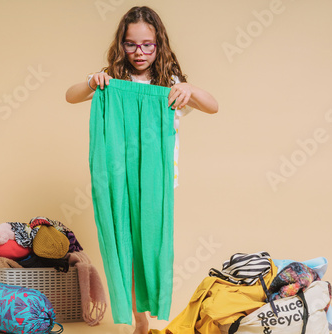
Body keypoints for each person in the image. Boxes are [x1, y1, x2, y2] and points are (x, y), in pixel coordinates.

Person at [65, 6, 218, 334]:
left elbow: (212, 105)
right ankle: (138, 320)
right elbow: (71, 96)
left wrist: (189, 90)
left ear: (159, 44)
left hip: (156, 177)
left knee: (150, 240)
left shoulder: (170, 83)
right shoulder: (112, 80)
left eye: (147, 44)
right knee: (124, 243)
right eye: (131, 44)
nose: (139, 52)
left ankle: (151, 309)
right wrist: (92, 81)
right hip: (118, 173)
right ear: (121, 44)